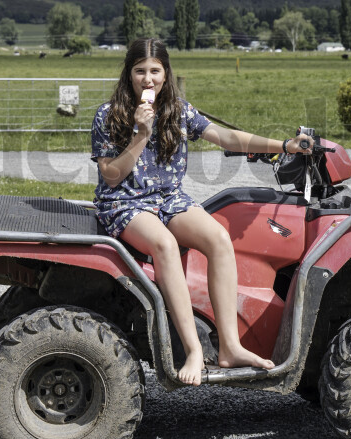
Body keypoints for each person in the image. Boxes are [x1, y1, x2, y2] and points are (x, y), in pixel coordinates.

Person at [91, 38, 313, 386]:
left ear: (166, 74)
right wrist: (140, 134)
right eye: (139, 71)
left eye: (155, 71)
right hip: (125, 202)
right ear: (128, 74)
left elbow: (225, 138)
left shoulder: (178, 110)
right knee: (163, 244)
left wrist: (283, 145)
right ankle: (194, 350)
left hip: (168, 198)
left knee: (218, 238)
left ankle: (230, 346)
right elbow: (111, 175)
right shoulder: (109, 115)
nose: (147, 79)